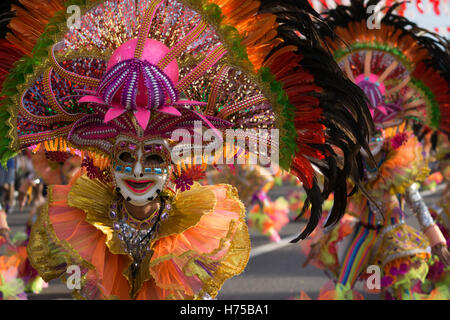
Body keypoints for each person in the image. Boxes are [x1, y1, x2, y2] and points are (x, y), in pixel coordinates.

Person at [0, 0, 374, 299]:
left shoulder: (193, 236)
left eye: (155, 158)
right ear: (106, 157)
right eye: (126, 157)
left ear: (175, 160)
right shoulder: (85, 229)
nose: (139, 171)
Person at [301, 0, 450, 300]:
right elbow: (340, 198)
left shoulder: (398, 153)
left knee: (400, 292)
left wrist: (436, 240)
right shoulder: (351, 153)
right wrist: (325, 234)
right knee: (342, 288)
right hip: (364, 232)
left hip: (395, 236)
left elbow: (416, 200)